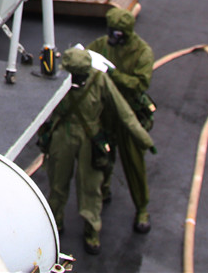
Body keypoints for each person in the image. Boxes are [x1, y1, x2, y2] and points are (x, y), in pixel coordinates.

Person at [37, 47, 154, 256]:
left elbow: (124, 112)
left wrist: (143, 139)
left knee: (91, 186)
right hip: (62, 133)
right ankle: (55, 221)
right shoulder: (58, 76)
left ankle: (92, 229)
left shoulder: (99, 80)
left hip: (89, 136)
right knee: (57, 182)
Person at [88, 7, 155, 233]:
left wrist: (113, 75)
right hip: (106, 112)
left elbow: (141, 84)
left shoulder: (142, 53)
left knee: (134, 162)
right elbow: (88, 55)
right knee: (102, 156)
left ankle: (142, 207)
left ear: (126, 33)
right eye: (110, 31)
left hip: (129, 114)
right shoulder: (103, 44)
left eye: (116, 33)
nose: (111, 36)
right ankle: (104, 189)